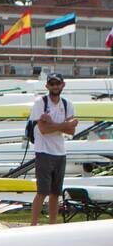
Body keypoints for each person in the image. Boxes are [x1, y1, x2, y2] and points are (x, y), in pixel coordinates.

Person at [29, 73, 76, 226]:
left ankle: (52, 225)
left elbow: (71, 132)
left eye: (57, 84)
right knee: (42, 192)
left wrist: (53, 124)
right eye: (52, 84)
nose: (55, 86)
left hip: (60, 152)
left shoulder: (67, 103)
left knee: (56, 193)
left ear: (63, 85)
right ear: (47, 86)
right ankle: (33, 225)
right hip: (44, 152)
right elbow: (43, 130)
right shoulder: (40, 102)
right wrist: (64, 124)